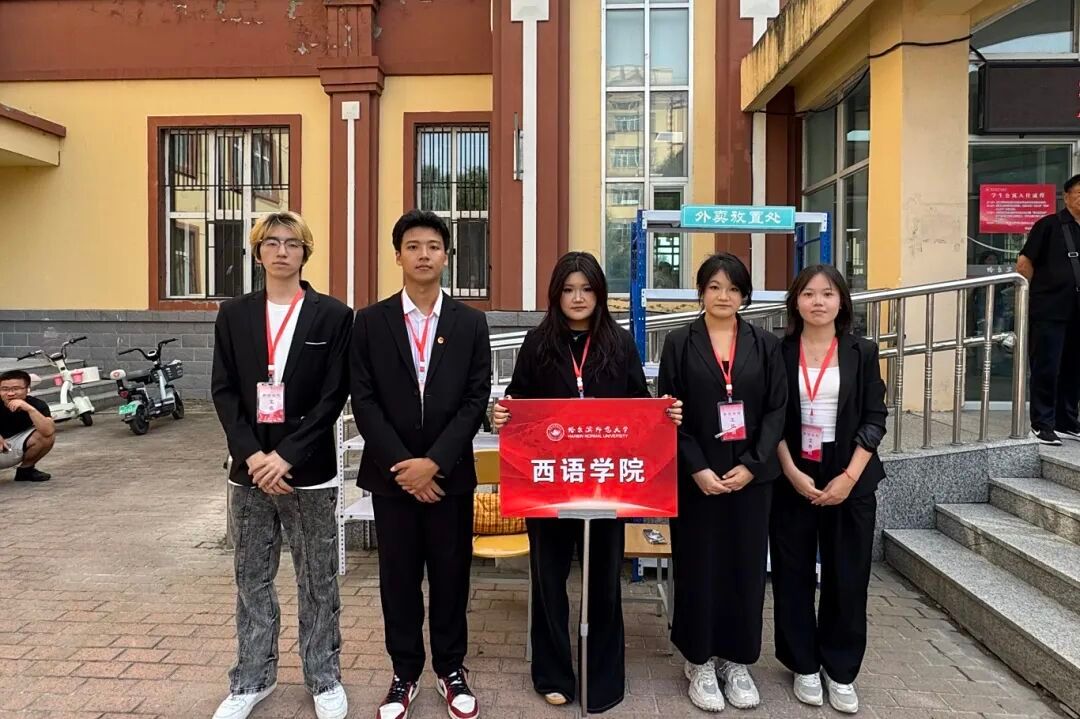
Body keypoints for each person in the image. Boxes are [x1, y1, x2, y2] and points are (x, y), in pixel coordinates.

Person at [490, 251, 683, 713]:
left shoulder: (620, 343)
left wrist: (665, 413)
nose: (578, 298)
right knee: (549, 578)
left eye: (587, 289)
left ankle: (603, 678)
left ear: (599, 294)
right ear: (556, 295)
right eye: (569, 289)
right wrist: (499, 415)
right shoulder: (537, 343)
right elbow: (517, 401)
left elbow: (639, 404)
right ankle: (553, 673)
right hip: (549, 484)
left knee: (603, 582)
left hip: (606, 483)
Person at [210, 211, 352, 719]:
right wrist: (253, 455)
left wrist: (287, 455)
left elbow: (334, 395)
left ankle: (323, 676)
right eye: (271, 242)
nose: (282, 251)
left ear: (305, 252)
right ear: (257, 252)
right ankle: (252, 678)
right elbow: (224, 391)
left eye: (292, 243)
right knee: (252, 578)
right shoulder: (234, 314)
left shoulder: (333, 315)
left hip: (309, 472)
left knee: (318, 580)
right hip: (249, 472)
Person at [350, 209, 491, 719]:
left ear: (446, 255)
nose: (423, 254)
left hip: (449, 479)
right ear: (398, 256)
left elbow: (475, 399)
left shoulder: (470, 323)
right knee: (398, 579)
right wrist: (405, 467)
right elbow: (364, 400)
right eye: (413, 246)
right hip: (393, 481)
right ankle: (404, 673)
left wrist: (434, 463)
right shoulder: (370, 322)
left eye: (433, 246)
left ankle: (451, 670)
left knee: (452, 576)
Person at [657, 253, 786, 713]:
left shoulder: (765, 344)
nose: (723, 296)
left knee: (745, 568)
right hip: (698, 478)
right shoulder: (679, 342)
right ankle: (698, 660)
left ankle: (737, 660)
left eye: (733, 288)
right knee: (698, 566)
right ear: (700, 292)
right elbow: (669, 411)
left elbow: (777, 410)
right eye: (714, 287)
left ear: (745, 296)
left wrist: (753, 465)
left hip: (751, 478)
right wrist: (696, 468)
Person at [770, 265, 888, 714]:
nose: (817, 302)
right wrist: (790, 471)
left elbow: (875, 418)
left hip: (849, 475)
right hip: (793, 476)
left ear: (841, 302)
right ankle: (802, 663)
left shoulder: (862, 351)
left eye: (827, 294)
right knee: (792, 574)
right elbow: (770, 416)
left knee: (848, 576)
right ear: (796, 302)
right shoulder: (779, 351)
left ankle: (840, 670)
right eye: (808, 294)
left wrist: (849, 478)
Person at [1017, 174, 1080, 445]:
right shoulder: (1049, 225)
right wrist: (1030, 299)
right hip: (1050, 310)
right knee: (1047, 367)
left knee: (1074, 368)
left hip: (1077, 312)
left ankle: (1067, 421)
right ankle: (1042, 423)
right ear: (1066, 197)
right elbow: (1024, 263)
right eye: (1079, 192)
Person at [0, 370, 56, 482]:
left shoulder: (37, 404)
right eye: (4, 389)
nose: (10, 393)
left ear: (27, 389)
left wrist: (30, 409)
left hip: (11, 447)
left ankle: (26, 471)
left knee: (44, 435)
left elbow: (48, 432)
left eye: (16, 389)